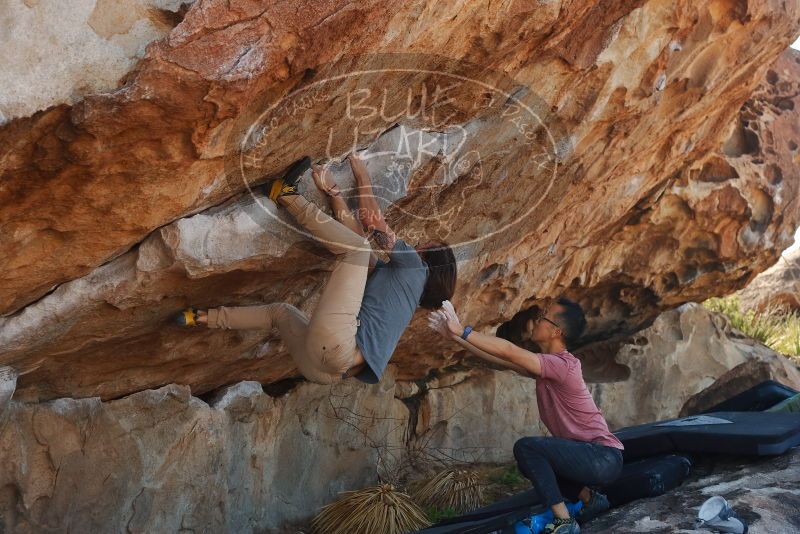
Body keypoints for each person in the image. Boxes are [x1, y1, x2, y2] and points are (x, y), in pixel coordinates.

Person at [177, 154, 457, 385]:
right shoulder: (400, 288)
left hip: (338, 344)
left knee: (358, 249)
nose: (418, 244)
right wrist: (333, 192)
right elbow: (355, 236)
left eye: (425, 246)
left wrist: (361, 173)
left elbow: (372, 224)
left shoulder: (415, 268)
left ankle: (286, 195)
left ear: (429, 258)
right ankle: (198, 317)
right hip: (324, 371)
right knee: (280, 313)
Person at [428, 298, 623, 534]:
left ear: (555, 331)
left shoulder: (564, 366)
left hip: (602, 457)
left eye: (542, 318)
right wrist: (455, 338)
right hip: (594, 459)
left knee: (527, 448)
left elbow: (510, 350)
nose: (535, 321)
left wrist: (462, 329)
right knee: (529, 463)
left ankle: (564, 522)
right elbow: (504, 360)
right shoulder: (550, 367)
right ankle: (590, 499)